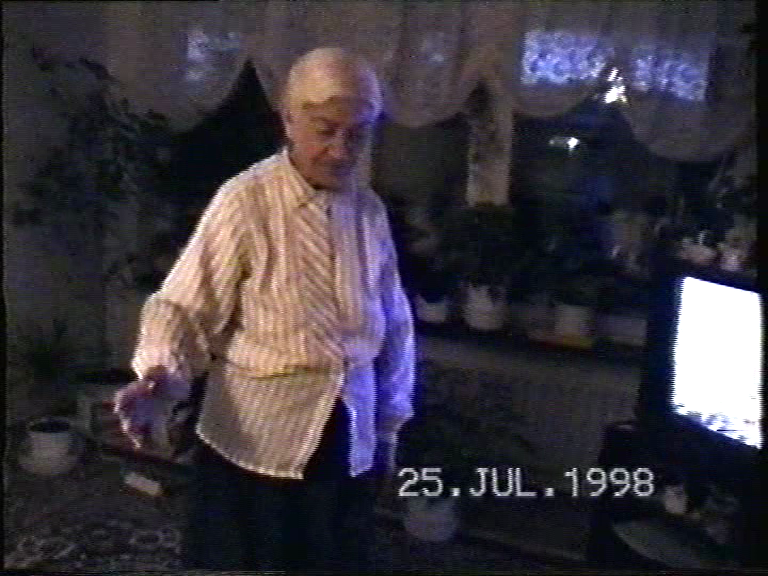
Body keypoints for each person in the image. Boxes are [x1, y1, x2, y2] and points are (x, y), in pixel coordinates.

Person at [113, 46, 416, 572]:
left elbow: (394, 325)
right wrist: (159, 374)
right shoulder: (245, 201)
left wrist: (389, 425)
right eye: (325, 130)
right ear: (289, 121)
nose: (341, 151)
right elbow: (183, 305)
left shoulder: (368, 211)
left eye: (358, 134)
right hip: (257, 443)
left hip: (349, 434)